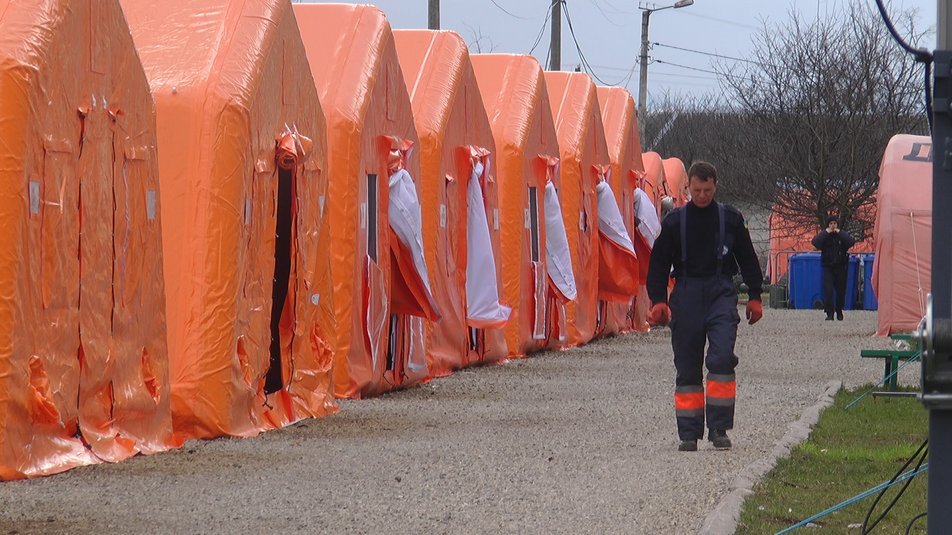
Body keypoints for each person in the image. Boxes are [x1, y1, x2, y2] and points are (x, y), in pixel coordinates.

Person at [645, 161, 764, 452]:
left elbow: (748, 258)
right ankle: (688, 433)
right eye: (697, 190)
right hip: (686, 293)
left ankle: (719, 428)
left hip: (721, 291)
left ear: (715, 186)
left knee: (722, 358)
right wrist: (658, 300)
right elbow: (658, 263)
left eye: (707, 190)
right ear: (688, 188)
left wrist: (756, 296)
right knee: (687, 366)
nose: (702, 196)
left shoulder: (731, 219)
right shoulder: (675, 222)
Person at [811, 215, 855, 321]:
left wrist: (840, 232)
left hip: (841, 266)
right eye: (830, 224)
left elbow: (851, 242)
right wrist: (826, 232)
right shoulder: (825, 237)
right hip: (828, 267)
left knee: (840, 291)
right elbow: (815, 242)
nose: (832, 226)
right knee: (828, 290)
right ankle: (829, 313)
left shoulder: (841, 236)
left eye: (834, 223)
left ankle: (839, 310)